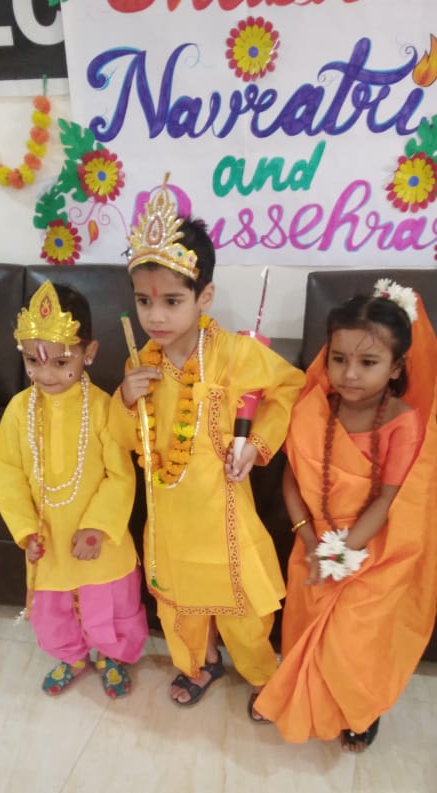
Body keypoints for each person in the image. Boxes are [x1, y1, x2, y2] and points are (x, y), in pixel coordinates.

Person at [109, 179, 305, 706]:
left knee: (242, 608)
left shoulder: (234, 354)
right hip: (170, 518)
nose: (156, 316)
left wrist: (256, 443)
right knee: (180, 605)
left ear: (205, 296)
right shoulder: (139, 363)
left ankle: (262, 675)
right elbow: (125, 441)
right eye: (144, 301)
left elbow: (290, 387)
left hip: (223, 514)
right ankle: (200, 664)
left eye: (172, 301)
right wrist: (125, 399)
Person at [253, 280, 437, 750]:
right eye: (339, 359)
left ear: (396, 368)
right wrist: (310, 541)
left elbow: (387, 500)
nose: (349, 374)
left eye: (368, 362)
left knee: (353, 642)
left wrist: (340, 554)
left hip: (374, 551)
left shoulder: (402, 421)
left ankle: (358, 711)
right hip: (312, 539)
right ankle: (304, 697)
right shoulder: (314, 407)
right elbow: (291, 477)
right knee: (305, 631)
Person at [0, 280, 148, 698]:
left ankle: (111, 655)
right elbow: (7, 473)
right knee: (54, 608)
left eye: (61, 362)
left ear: (88, 352)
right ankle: (73, 656)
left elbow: (121, 475)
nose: (46, 375)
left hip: (101, 542)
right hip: (49, 539)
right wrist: (25, 530)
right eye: (32, 361)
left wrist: (97, 527)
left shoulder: (103, 407)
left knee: (109, 602)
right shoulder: (17, 411)